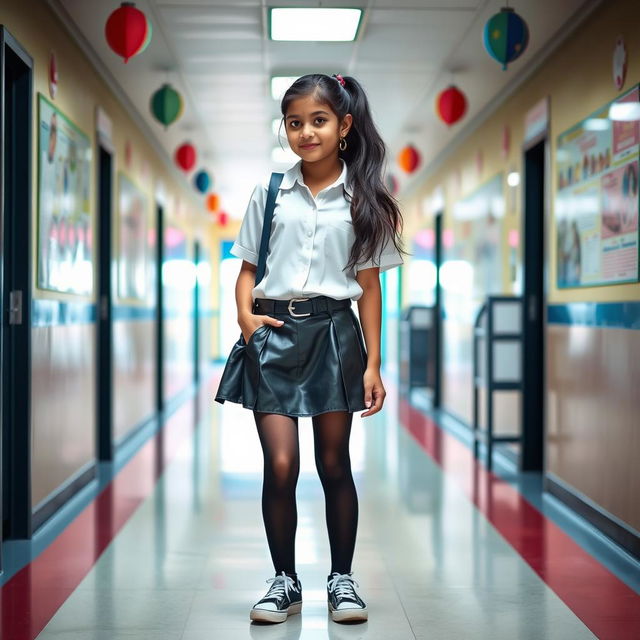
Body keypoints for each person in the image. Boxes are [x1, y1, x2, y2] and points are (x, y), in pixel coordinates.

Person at [214, 73, 407, 625]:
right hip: (273, 334)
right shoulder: (268, 191)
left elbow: (369, 289)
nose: (306, 132)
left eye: (318, 121)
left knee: (333, 463)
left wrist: (373, 363)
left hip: (334, 334)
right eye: (294, 123)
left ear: (344, 127)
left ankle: (342, 581)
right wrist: (246, 318)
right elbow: (247, 269)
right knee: (280, 465)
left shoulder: (365, 198)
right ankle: (284, 581)